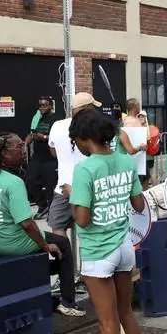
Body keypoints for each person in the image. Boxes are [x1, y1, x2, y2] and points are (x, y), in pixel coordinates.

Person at [69, 108, 155, 334]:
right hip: (124, 247)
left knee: (107, 323)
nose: (77, 146)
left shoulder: (85, 170)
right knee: (125, 314)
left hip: (98, 252)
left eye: (76, 141)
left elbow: (82, 219)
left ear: (84, 138)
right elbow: (139, 204)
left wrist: (73, 196)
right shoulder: (125, 161)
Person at [0, 132, 84, 317]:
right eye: (18, 147)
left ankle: (42, 279)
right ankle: (67, 302)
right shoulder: (14, 183)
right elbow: (27, 224)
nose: (24, 150)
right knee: (62, 244)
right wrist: (45, 245)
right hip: (10, 243)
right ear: (4, 153)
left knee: (53, 248)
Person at [46, 91, 98, 236]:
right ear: (87, 108)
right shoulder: (95, 127)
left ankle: (64, 251)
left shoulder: (57, 125)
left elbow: (53, 152)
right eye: (93, 107)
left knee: (58, 227)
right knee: (91, 227)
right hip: (90, 187)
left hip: (64, 187)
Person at [25, 95, 57, 218]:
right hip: (37, 157)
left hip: (50, 159)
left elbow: (57, 137)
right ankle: (42, 205)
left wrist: (43, 137)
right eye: (40, 105)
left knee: (50, 186)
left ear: (51, 106)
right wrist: (25, 143)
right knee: (30, 181)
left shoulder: (55, 120)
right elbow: (32, 134)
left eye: (45, 105)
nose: (42, 108)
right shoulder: (37, 118)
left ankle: (51, 210)